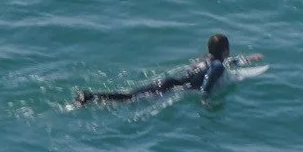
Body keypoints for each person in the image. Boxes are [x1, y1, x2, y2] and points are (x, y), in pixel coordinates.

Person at [76, 34, 239, 105]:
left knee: (130, 95)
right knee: (129, 99)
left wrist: (241, 60)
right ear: (226, 51)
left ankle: (92, 97)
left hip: (168, 82)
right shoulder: (217, 65)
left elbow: (217, 64)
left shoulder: (206, 57)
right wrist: (205, 98)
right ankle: (91, 97)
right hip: (172, 88)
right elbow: (209, 80)